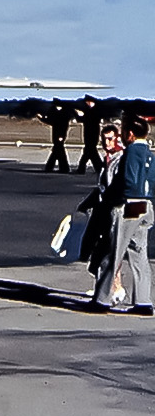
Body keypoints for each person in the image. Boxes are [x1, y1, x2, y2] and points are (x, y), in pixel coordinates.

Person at [99, 117, 155, 315]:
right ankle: (143, 300)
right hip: (147, 204)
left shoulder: (131, 152)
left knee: (114, 251)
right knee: (139, 252)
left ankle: (102, 299)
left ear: (130, 134)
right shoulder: (149, 153)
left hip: (130, 203)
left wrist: (114, 200)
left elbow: (128, 179)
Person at [84, 123, 126, 307]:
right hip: (103, 209)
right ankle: (107, 286)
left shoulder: (121, 158)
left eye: (110, 139)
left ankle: (114, 288)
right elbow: (102, 185)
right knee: (102, 251)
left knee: (110, 252)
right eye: (104, 139)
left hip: (114, 209)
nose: (106, 142)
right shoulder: (106, 159)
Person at [41, 99, 73, 173]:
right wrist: (42, 118)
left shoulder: (64, 113)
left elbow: (64, 125)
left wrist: (62, 135)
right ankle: (62, 167)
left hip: (60, 133)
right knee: (58, 150)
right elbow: (50, 120)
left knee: (58, 150)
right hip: (56, 133)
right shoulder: (54, 111)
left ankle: (57, 167)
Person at [76, 95, 103, 174]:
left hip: (92, 134)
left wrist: (78, 114)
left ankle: (82, 168)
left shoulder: (95, 111)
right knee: (91, 152)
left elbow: (84, 119)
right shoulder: (91, 110)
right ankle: (99, 168)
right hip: (89, 133)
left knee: (89, 152)